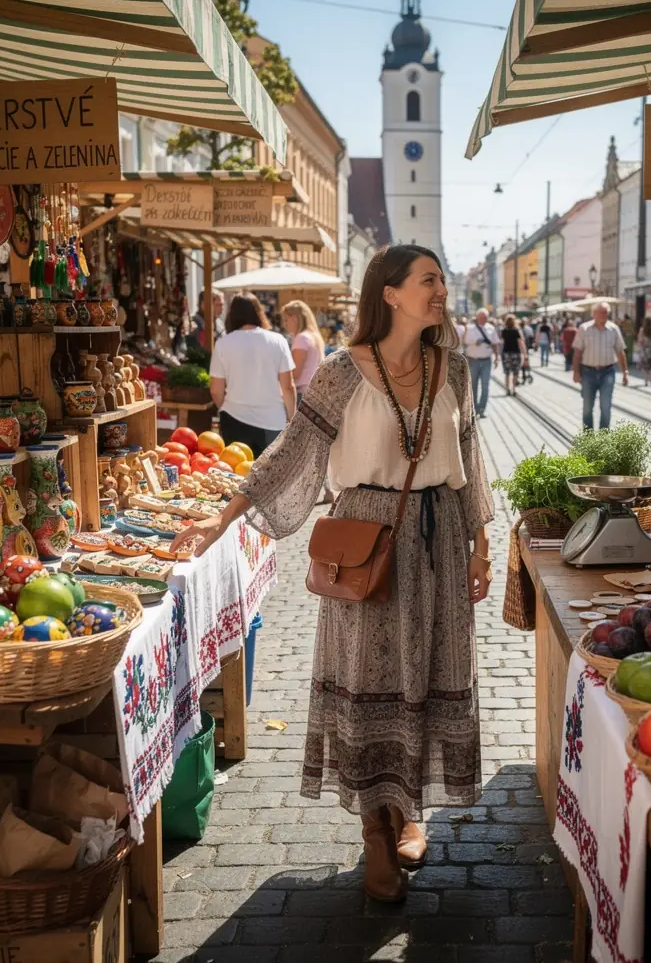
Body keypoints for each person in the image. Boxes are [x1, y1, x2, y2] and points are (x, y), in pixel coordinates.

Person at [172, 244, 494, 903]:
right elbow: (290, 453)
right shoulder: (343, 373)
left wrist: (482, 545)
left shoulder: (455, 369)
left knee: (429, 672)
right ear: (391, 294)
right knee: (370, 680)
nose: (441, 290)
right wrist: (222, 518)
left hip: (438, 541)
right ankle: (376, 829)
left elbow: (472, 459)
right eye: (429, 280)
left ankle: (408, 810)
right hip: (367, 544)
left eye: (441, 279)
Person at [208, 295, 296, 457]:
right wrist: (291, 419)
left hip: (234, 418)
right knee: (271, 471)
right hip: (272, 421)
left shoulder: (223, 344)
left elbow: (215, 390)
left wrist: (227, 407)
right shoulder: (278, 341)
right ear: (259, 313)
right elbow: (288, 387)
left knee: (237, 470)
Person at [572, 301, 628, 429]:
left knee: (606, 406)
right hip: (588, 373)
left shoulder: (613, 329)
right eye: (602, 312)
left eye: (606, 313)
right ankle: (588, 437)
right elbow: (577, 352)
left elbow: (620, 351)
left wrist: (625, 372)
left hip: (607, 372)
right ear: (594, 314)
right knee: (587, 407)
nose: (605, 315)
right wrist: (576, 372)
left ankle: (604, 437)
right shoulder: (584, 329)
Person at [281, 300, 326, 403]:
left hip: (302, 394)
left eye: (286, 320)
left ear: (294, 318)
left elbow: (295, 373)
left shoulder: (301, 338)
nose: (285, 324)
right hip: (314, 392)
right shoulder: (314, 336)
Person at [461, 308, 499, 418]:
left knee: (485, 386)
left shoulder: (491, 328)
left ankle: (482, 409)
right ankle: (474, 409)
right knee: (473, 386)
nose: (483, 319)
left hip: (486, 360)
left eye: (485, 317)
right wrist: (474, 343)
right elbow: (464, 342)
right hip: (473, 360)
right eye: (481, 317)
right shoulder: (470, 328)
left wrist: (497, 358)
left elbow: (495, 343)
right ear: (477, 317)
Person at [501, 314, 527, 396]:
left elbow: (502, 341)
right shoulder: (516, 331)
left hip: (506, 353)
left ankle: (507, 389)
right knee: (515, 372)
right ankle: (514, 388)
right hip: (515, 353)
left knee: (507, 373)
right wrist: (525, 354)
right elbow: (521, 343)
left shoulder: (504, 331)